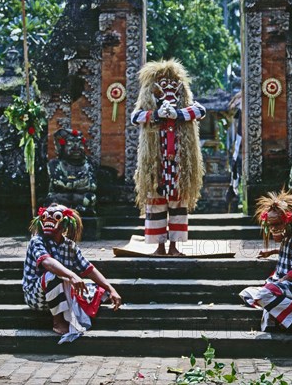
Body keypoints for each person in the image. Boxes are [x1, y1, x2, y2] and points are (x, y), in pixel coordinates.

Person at [131, 59, 205, 256]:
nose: (168, 88)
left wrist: (178, 114)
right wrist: (156, 115)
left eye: (172, 84)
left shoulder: (185, 104)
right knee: (156, 203)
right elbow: (135, 117)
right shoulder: (148, 104)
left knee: (178, 204)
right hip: (155, 165)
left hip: (179, 164)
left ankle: (174, 247)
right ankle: (160, 247)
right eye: (163, 84)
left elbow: (200, 110)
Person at [22, 203, 121, 341]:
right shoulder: (36, 241)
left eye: (55, 217)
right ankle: (58, 321)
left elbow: (88, 269)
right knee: (54, 275)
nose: (48, 220)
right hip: (37, 297)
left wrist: (111, 289)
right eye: (45, 217)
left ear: (64, 224)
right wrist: (72, 275)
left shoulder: (70, 246)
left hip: (61, 294)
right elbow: (47, 262)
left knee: (96, 290)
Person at [239, 190, 292, 336]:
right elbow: (290, 252)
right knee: (247, 294)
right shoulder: (288, 235)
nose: (273, 229)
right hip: (288, 287)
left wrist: (277, 284)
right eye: (270, 225)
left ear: (288, 220)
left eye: (276, 224)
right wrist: (271, 252)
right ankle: (280, 314)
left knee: (265, 294)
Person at [47, 128, 97, 215]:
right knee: (53, 199)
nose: (76, 148)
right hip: (61, 196)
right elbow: (56, 183)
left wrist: (69, 184)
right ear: (62, 147)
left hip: (80, 197)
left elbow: (92, 186)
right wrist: (78, 183)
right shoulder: (55, 164)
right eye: (70, 144)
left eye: (79, 144)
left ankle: (80, 210)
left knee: (90, 198)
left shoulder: (89, 163)